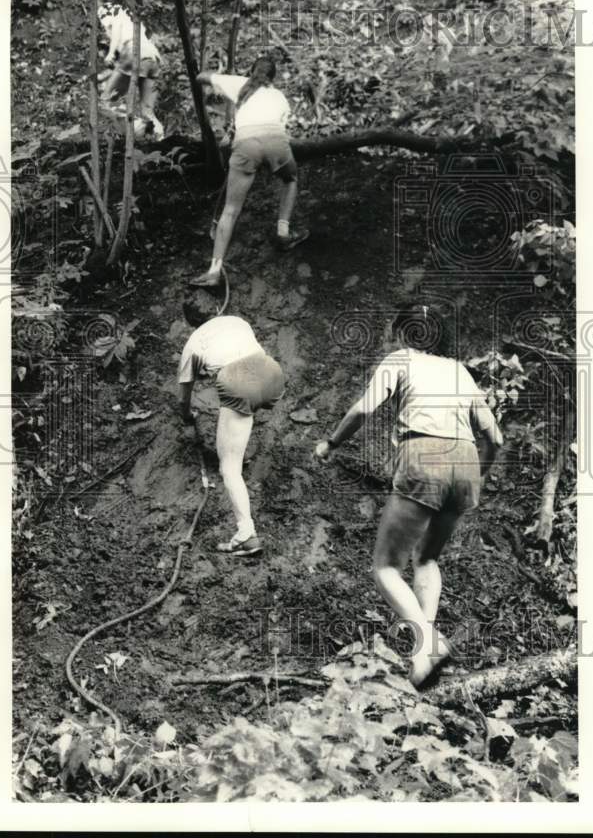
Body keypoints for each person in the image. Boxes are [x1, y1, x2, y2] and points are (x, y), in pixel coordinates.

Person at [314, 303, 503, 689]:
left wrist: (331, 443)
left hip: (423, 458)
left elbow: (363, 409)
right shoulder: (459, 370)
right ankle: (422, 660)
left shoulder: (400, 360)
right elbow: (495, 437)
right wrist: (476, 474)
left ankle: (430, 643)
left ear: (404, 333)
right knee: (427, 558)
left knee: (386, 567)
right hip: (466, 464)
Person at [177, 294, 285, 556]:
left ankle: (246, 535)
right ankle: (240, 439)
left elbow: (183, 397)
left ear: (190, 322)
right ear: (217, 307)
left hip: (240, 382)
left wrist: (188, 416)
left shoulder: (193, 343)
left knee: (229, 468)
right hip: (273, 376)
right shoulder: (237, 321)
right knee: (244, 405)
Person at [190, 56, 308, 288]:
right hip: (275, 140)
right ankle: (283, 232)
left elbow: (201, 77)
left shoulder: (239, 83)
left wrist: (210, 75)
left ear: (251, 71)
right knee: (290, 178)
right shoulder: (279, 96)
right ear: (273, 77)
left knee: (230, 210)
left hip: (245, 144)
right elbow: (280, 128)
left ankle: (214, 271)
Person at [97, 1, 165, 141]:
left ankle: (134, 128)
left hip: (134, 52)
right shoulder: (134, 21)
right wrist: (101, 77)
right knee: (147, 111)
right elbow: (125, 68)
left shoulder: (116, 16)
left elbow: (117, 30)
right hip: (154, 57)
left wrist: (110, 53)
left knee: (106, 101)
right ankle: (161, 140)